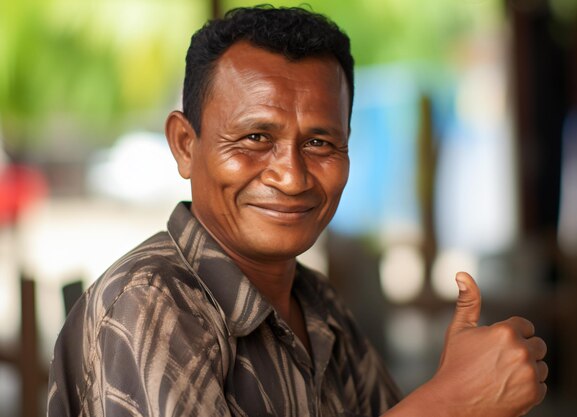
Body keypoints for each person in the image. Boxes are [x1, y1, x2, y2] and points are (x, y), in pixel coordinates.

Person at [47, 5, 548, 417]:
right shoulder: (150, 305)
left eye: (319, 142)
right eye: (255, 138)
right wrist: (449, 402)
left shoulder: (317, 305)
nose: (291, 176)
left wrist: (468, 387)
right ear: (184, 144)